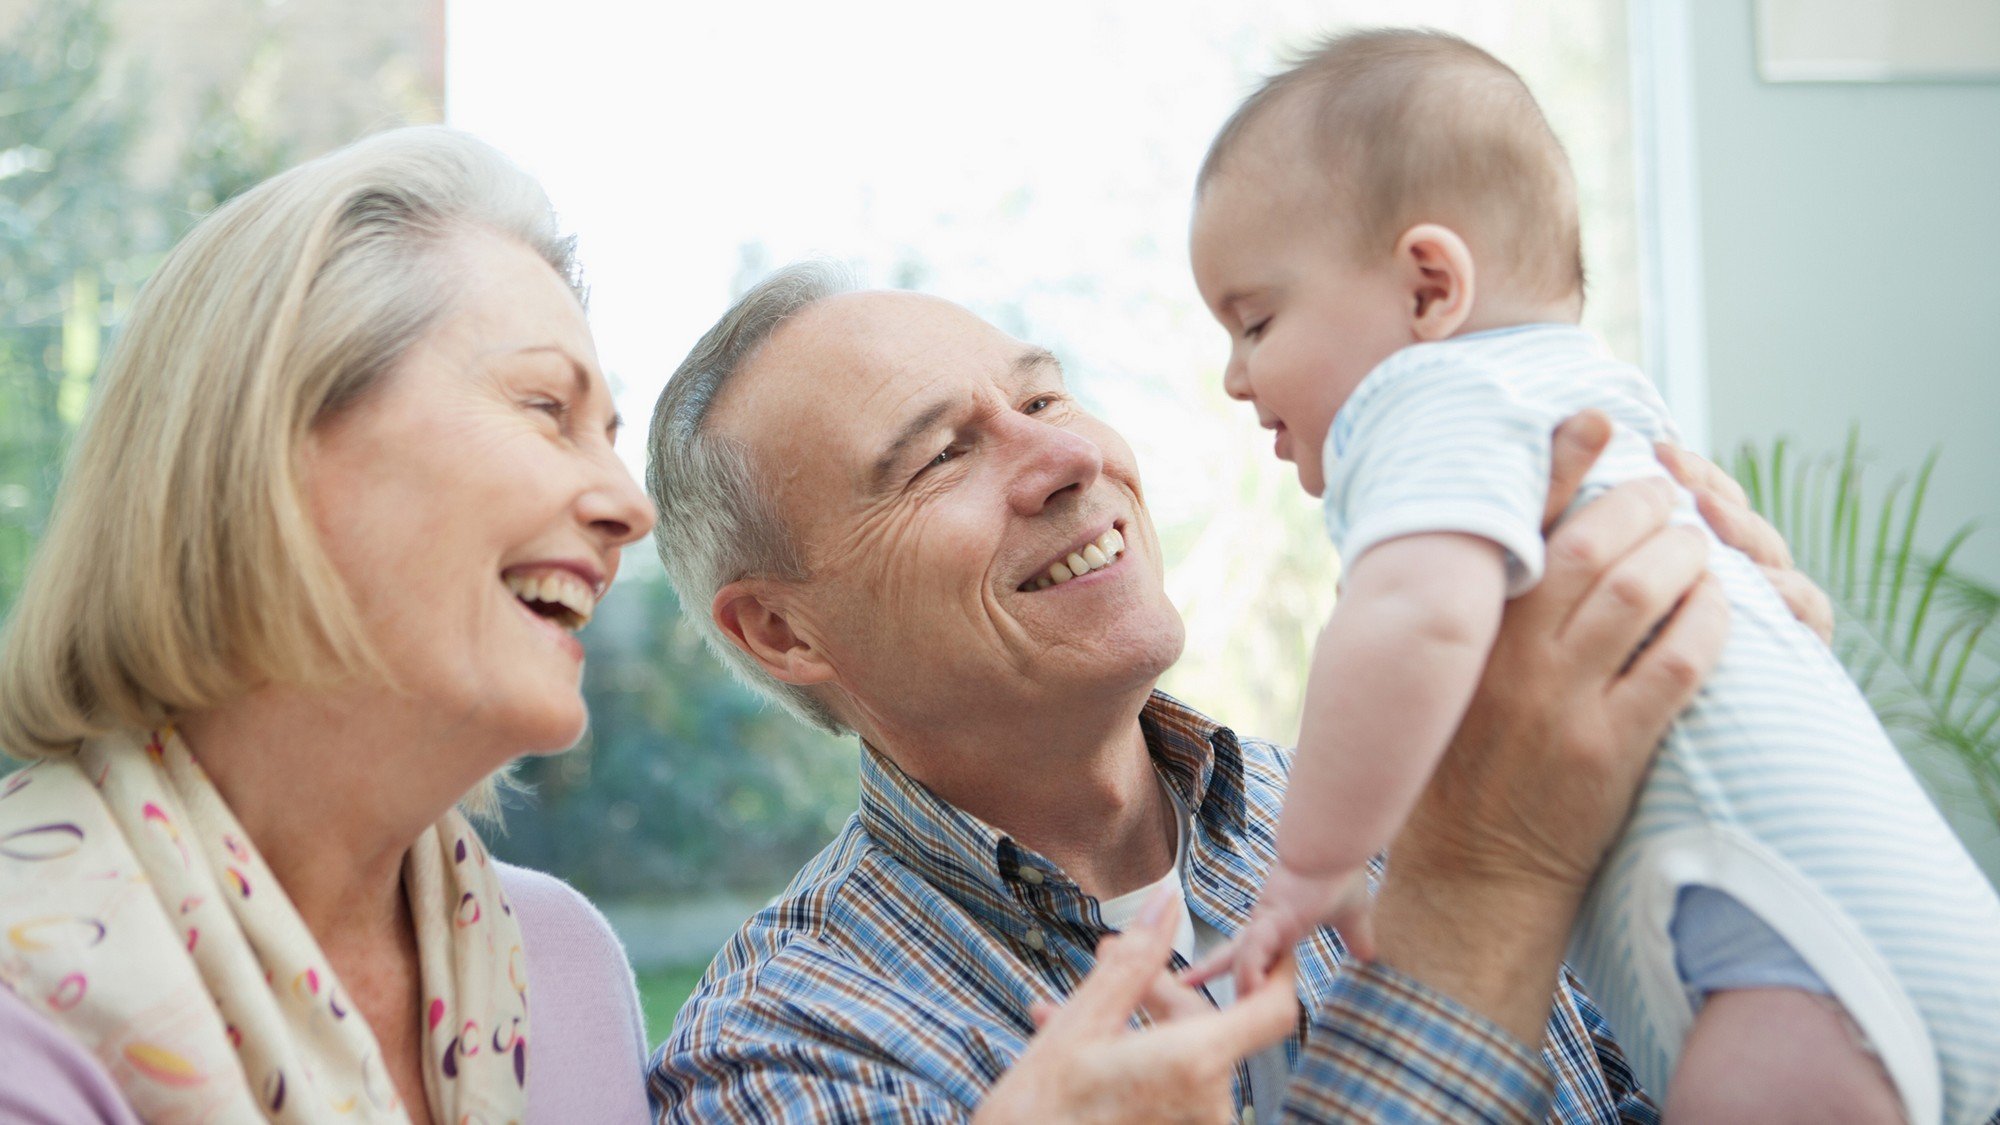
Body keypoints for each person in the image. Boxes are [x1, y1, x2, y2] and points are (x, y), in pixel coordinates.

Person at [641, 259, 1834, 1122]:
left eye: (1044, 397)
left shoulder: (1377, 809)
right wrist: (1479, 892)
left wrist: (1754, 757)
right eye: (941, 453)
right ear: (782, 630)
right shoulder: (778, 1050)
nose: (1068, 460)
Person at [1184, 28, 2000, 1124]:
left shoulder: (1427, 397)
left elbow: (1414, 620)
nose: (1235, 379)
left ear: (1429, 286)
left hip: (1790, 981)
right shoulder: (1600, 399)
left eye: (1255, 321)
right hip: (1896, 930)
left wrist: (1313, 864)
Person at [0, 127, 655, 1123]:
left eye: (608, 437)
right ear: (273, 449)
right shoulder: (21, 990)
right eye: (542, 408)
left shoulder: (565, 970)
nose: (627, 503)